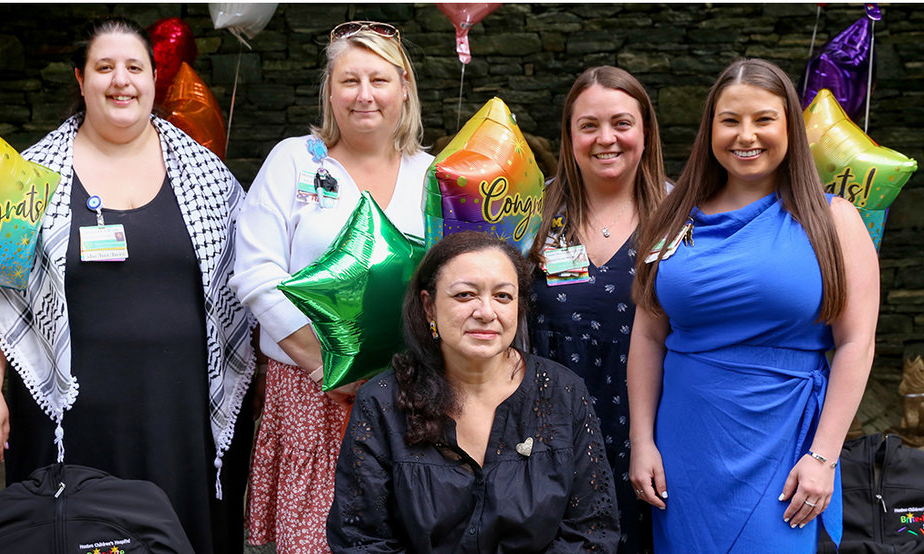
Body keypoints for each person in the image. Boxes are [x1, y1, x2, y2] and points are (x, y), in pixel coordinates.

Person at [0, 16, 255, 554]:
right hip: (70, 415)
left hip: (181, 413)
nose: (121, 80)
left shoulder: (208, 175)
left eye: (134, 67)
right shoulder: (30, 176)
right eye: (105, 67)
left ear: (152, 80)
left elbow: (250, 283)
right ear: (80, 79)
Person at [628, 58, 879, 552]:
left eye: (764, 119)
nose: (746, 135)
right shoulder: (672, 218)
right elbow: (648, 334)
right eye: (730, 120)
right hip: (685, 445)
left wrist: (824, 456)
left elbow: (856, 342)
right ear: (710, 129)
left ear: (789, 126)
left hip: (784, 444)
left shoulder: (835, 220)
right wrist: (642, 441)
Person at [229, 20, 433, 552]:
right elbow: (255, 274)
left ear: (404, 87)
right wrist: (330, 365)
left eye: (379, 80)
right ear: (329, 90)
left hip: (409, 393)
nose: (364, 95)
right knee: (315, 541)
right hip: (309, 388)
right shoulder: (293, 160)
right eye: (349, 80)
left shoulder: (433, 176)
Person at [328, 230, 621, 552]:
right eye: (465, 295)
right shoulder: (382, 402)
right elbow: (360, 539)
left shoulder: (563, 393)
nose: (486, 312)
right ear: (429, 307)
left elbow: (592, 531)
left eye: (503, 296)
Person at [527, 65, 668, 553]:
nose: (606, 138)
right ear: (569, 136)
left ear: (645, 131)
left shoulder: (683, 218)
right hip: (545, 431)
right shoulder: (532, 215)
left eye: (622, 123)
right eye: (589, 125)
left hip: (651, 430)